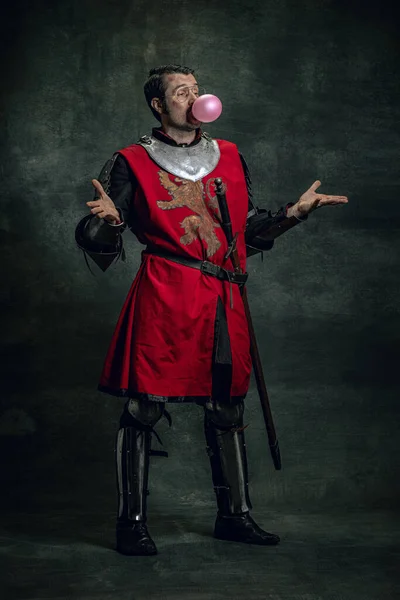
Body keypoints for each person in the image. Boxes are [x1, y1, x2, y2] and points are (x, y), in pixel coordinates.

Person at [75, 65, 348, 556]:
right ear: (159, 105)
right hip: (166, 293)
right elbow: (96, 236)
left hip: (223, 297)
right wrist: (111, 225)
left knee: (226, 405)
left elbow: (243, 230)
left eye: (197, 90)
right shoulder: (130, 161)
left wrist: (294, 214)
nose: (196, 98)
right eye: (182, 92)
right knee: (144, 405)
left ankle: (235, 516)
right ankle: (131, 524)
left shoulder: (229, 155)